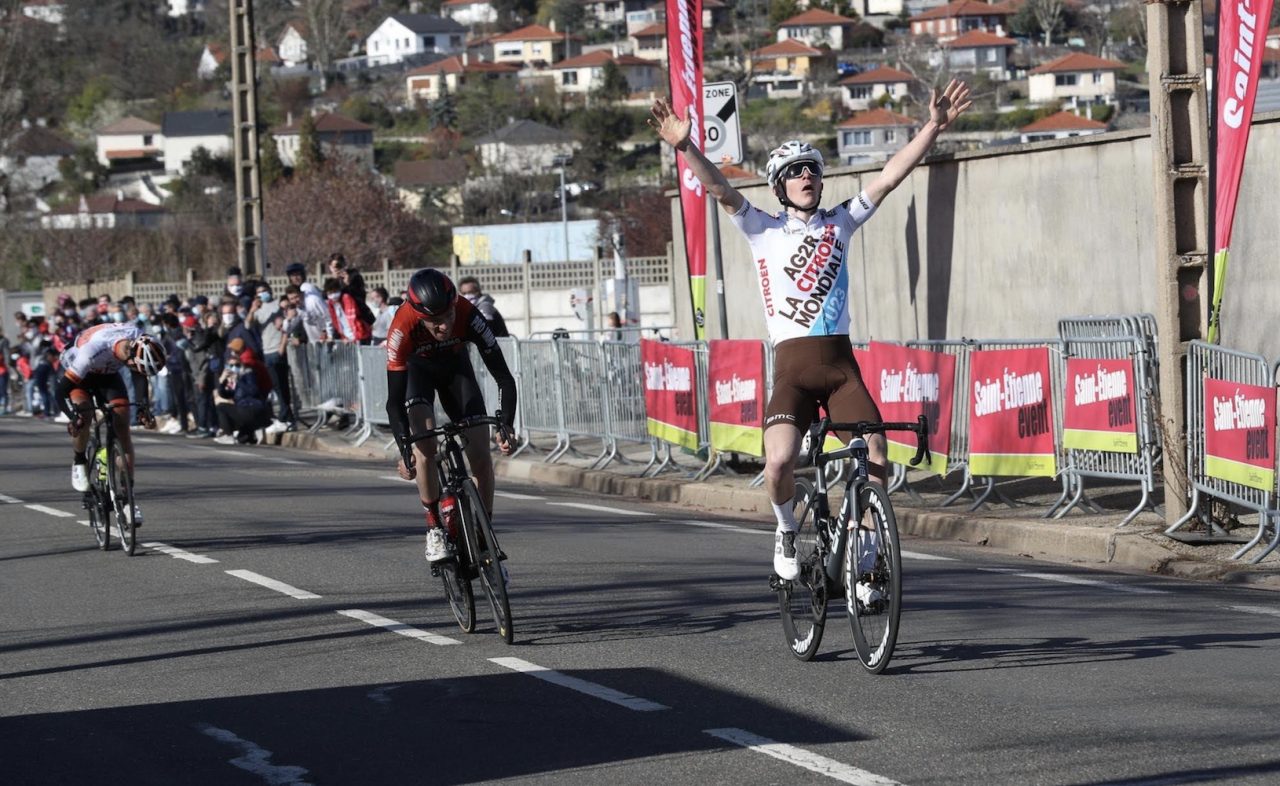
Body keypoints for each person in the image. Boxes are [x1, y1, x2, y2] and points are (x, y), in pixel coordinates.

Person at [650, 80, 972, 583]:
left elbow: (888, 177)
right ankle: (783, 530)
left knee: (877, 459)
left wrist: (932, 126)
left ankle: (866, 560)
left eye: (812, 171)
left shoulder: (840, 222)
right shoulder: (763, 230)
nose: (806, 177)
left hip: (842, 369)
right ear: (780, 185)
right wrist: (686, 146)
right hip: (794, 372)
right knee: (778, 462)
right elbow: (719, 189)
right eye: (795, 172)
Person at [385, 268, 517, 563]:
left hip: (457, 370)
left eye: (447, 316)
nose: (444, 326)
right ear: (419, 317)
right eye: (434, 321)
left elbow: (504, 377)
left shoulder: (468, 313)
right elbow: (394, 403)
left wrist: (506, 424)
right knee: (425, 449)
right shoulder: (401, 327)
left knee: (482, 455)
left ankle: (485, 535)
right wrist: (405, 448)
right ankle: (434, 527)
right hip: (418, 372)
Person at [55, 325, 163, 523]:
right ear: (129, 356)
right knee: (84, 415)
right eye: (134, 365)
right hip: (80, 375)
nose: (136, 370)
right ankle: (79, 459)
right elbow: (61, 392)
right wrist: (72, 416)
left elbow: (139, 374)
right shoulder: (90, 353)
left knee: (122, 424)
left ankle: (128, 497)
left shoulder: (138, 341)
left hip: (107, 374)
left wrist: (143, 408)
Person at [213, 338, 271, 445]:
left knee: (223, 408)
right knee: (242, 439)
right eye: (231, 366)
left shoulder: (248, 372)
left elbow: (253, 390)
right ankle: (248, 434)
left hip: (252, 408)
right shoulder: (238, 378)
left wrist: (239, 378)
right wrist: (222, 381)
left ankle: (228, 434)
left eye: (237, 365)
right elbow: (227, 394)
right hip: (245, 408)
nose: (234, 368)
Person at [286, 262, 334, 343]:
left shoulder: (309, 291)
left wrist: (328, 333)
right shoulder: (295, 299)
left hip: (324, 338)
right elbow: (298, 320)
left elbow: (326, 316)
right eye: (293, 276)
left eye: (298, 275)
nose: (296, 278)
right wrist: (296, 335)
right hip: (312, 339)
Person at [323, 277, 372, 344]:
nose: (333, 295)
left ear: (339, 290)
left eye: (334, 292)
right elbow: (335, 322)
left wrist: (355, 338)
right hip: (347, 338)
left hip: (360, 336)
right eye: (330, 293)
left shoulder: (346, 298)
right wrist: (344, 337)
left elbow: (353, 319)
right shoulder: (331, 304)